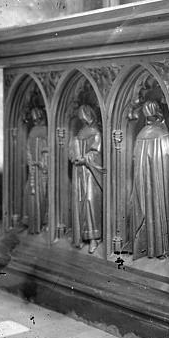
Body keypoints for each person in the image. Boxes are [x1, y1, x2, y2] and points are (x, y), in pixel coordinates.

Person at [131, 100, 169, 259]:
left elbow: (166, 157)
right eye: (147, 116)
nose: (149, 119)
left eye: (151, 116)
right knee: (148, 206)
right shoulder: (146, 133)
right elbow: (137, 157)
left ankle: (159, 248)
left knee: (156, 206)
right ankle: (150, 247)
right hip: (146, 178)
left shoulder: (160, 133)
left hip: (157, 179)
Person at [69, 104, 103, 254]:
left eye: (85, 117)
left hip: (90, 172)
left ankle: (94, 238)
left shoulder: (96, 132)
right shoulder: (81, 132)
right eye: (81, 118)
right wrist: (74, 157)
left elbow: (96, 152)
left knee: (90, 201)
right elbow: (72, 149)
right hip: (78, 171)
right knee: (80, 202)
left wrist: (85, 159)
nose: (83, 120)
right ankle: (82, 236)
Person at [22, 107, 48, 234]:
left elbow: (48, 149)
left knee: (41, 195)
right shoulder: (32, 130)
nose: (36, 121)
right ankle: (31, 222)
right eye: (34, 119)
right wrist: (31, 161)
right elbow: (28, 148)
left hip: (42, 171)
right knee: (29, 192)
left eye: (37, 118)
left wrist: (41, 163)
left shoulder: (46, 130)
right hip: (33, 169)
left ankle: (41, 222)